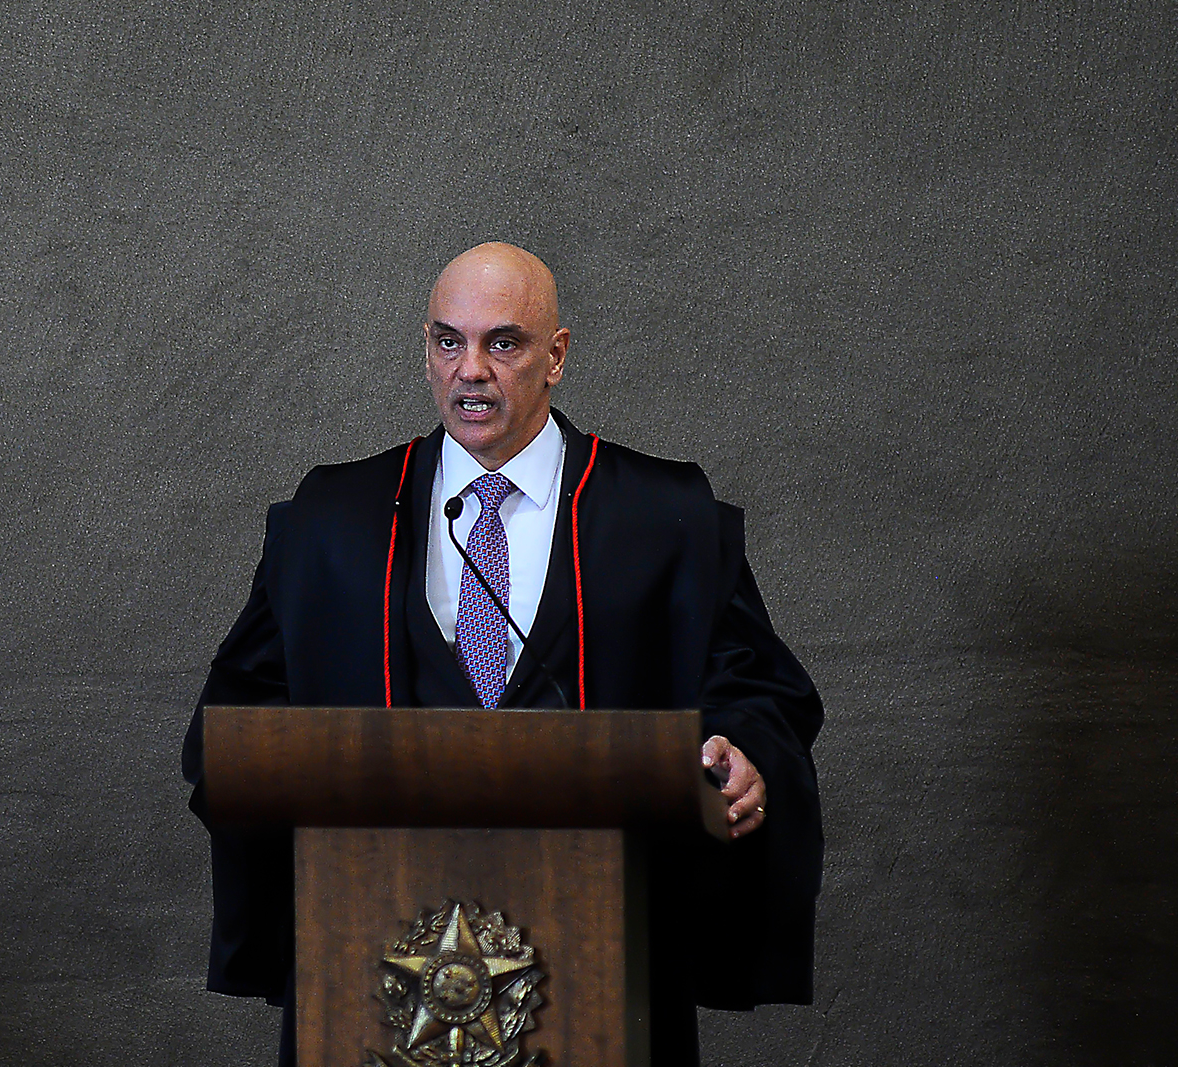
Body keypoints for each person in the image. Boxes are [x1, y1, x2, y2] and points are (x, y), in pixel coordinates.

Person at [183, 242, 823, 1066]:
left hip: (603, 951)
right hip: (377, 955)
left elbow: (755, 692)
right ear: (425, 351)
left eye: (504, 343)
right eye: (448, 342)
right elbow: (236, 720)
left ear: (556, 355)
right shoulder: (332, 521)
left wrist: (746, 756)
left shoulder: (665, 518)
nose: (471, 369)